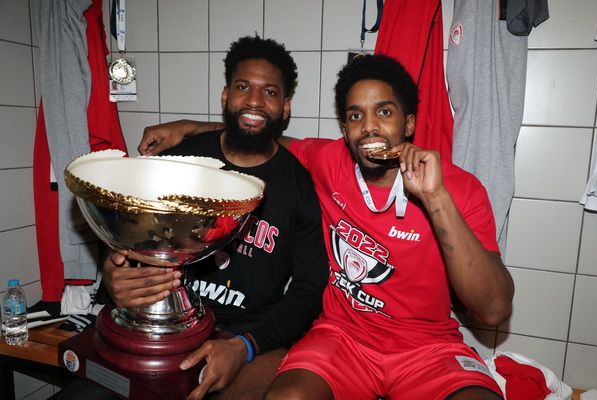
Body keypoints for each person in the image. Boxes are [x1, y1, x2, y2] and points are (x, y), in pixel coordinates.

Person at [138, 55, 514, 399]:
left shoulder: (459, 189)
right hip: (341, 339)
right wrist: (190, 129)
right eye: (356, 116)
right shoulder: (329, 160)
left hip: (427, 349)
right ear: (345, 129)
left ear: (409, 123)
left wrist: (435, 198)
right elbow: (262, 136)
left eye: (384, 112)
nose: (369, 127)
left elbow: (494, 310)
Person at [96, 36, 328, 400]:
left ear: (285, 107)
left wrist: (246, 346)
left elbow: (309, 291)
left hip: (249, 335)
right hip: (166, 315)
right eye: (243, 87)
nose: (254, 100)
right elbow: (131, 238)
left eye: (269, 92)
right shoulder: (182, 160)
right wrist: (113, 274)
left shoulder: (301, 186)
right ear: (225, 96)